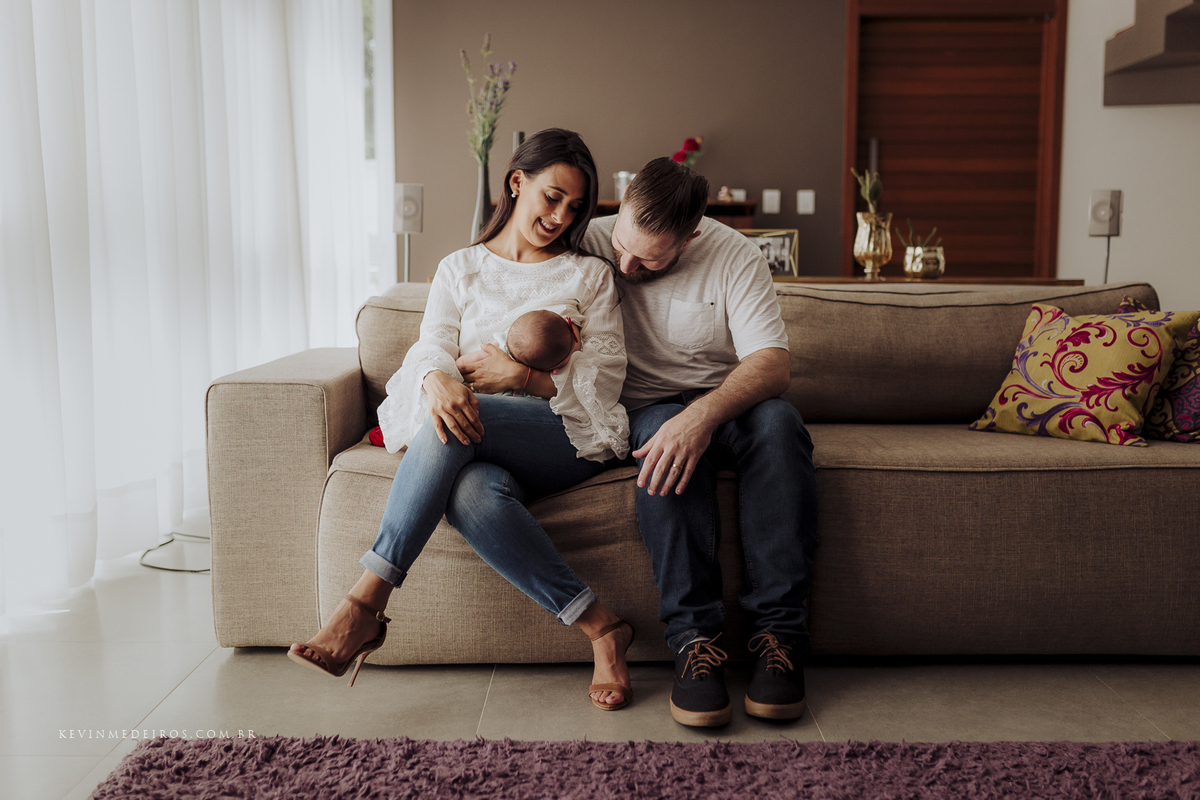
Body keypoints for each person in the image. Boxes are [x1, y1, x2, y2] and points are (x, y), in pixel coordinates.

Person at [288, 128, 636, 711]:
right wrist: (436, 378)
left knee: (452, 420)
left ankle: (365, 604)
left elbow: (605, 382)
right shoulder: (460, 268)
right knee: (472, 494)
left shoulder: (589, 276)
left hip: (561, 434)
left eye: (574, 207)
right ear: (516, 182)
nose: (560, 216)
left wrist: (520, 377)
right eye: (552, 197)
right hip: (477, 441)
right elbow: (431, 345)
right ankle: (603, 628)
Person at [583, 157, 818, 727]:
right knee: (663, 446)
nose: (625, 263)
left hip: (725, 401)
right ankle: (695, 644)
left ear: (691, 235)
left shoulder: (733, 253)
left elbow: (773, 363)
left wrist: (704, 415)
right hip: (646, 408)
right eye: (623, 244)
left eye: (648, 258)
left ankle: (778, 639)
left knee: (780, 422)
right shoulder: (591, 237)